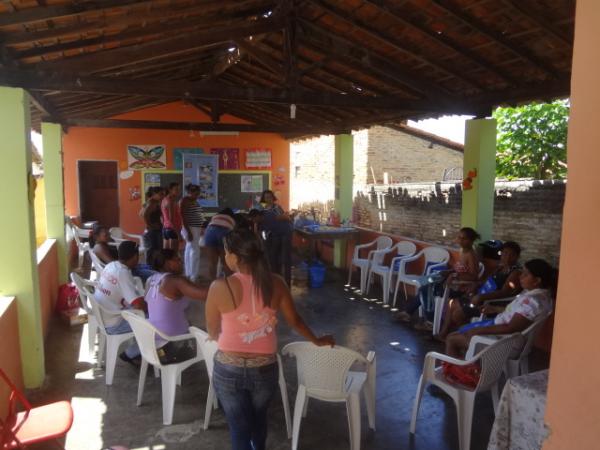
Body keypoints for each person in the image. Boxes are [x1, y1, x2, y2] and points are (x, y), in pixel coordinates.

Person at [205, 228, 335, 450]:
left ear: (234, 257)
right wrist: (317, 340)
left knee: (238, 428)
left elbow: (212, 330)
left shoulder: (220, 286)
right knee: (258, 418)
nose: (224, 256)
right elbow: (295, 321)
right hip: (264, 369)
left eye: (226, 252)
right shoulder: (277, 283)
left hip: (229, 370)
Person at [445, 258, 556, 358]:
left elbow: (510, 328)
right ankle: (470, 366)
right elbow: (518, 315)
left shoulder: (532, 302)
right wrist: (496, 309)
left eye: (526, 275)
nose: (520, 276)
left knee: (451, 339)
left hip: (506, 343)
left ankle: (460, 374)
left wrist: (479, 330)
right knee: (462, 331)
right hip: (508, 337)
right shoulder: (541, 296)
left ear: (537, 280)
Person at [395, 227, 481, 330]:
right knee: (425, 283)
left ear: (471, 241)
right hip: (451, 282)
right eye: (459, 237)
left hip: (458, 288)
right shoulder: (462, 251)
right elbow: (460, 269)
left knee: (425, 290)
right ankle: (410, 313)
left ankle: (429, 321)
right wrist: (449, 272)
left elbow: (473, 276)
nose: (460, 241)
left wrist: (454, 276)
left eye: (464, 239)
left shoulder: (471, 255)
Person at [436, 241, 523, 339]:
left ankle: (463, 339)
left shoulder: (515, 272)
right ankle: (445, 334)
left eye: (511, 255)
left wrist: (481, 296)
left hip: (493, 304)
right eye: (505, 253)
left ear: (517, 257)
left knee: (457, 314)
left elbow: (504, 292)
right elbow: (486, 281)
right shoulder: (500, 267)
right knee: (453, 303)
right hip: (483, 297)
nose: (507, 257)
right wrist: (476, 285)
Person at [145, 249, 208, 364]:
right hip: (171, 347)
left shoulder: (151, 279)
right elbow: (206, 295)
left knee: (190, 322)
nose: (181, 262)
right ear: (167, 263)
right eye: (177, 259)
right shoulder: (175, 281)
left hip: (151, 342)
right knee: (210, 336)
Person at [94, 241, 145, 364]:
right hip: (114, 324)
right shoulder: (123, 273)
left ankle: (137, 351)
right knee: (154, 324)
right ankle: (131, 353)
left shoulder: (111, 265)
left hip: (103, 316)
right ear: (135, 257)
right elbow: (138, 305)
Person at [258, 190, 293, 286]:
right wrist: (263, 237)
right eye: (266, 197)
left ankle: (287, 283)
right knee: (273, 258)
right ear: (263, 199)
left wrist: (283, 217)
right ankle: (276, 280)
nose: (268, 199)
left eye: (270, 197)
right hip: (274, 234)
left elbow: (286, 218)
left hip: (285, 233)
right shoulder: (262, 209)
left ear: (273, 198)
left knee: (285, 259)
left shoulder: (276, 207)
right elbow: (262, 226)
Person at [180, 184, 206, 283]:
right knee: (195, 251)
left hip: (195, 228)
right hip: (190, 228)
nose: (198, 195)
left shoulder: (193, 201)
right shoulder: (185, 201)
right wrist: (188, 231)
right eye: (196, 193)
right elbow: (182, 216)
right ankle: (193, 276)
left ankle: (188, 273)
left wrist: (201, 226)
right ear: (190, 192)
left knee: (189, 249)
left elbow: (197, 214)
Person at [203, 208, 236, 280]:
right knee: (225, 262)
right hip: (224, 232)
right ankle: (228, 283)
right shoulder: (231, 219)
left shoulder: (215, 217)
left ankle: (212, 284)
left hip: (209, 232)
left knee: (212, 263)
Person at [142, 186, 164, 264]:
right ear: (154, 194)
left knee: (155, 250)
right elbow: (144, 215)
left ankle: (154, 267)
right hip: (153, 231)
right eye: (161, 194)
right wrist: (150, 225)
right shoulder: (152, 202)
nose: (162, 196)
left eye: (163, 194)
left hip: (155, 230)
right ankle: (151, 268)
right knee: (152, 251)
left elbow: (141, 213)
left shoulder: (152, 202)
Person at [161, 182, 182, 250]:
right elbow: (171, 219)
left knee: (166, 253)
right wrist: (178, 233)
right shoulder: (171, 201)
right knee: (173, 254)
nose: (178, 191)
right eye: (176, 189)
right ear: (170, 190)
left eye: (179, 189)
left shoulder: (164, 199)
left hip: (165, 229)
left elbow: (162, 217)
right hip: (172, 230)